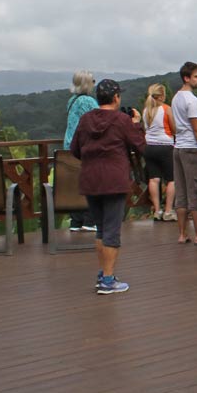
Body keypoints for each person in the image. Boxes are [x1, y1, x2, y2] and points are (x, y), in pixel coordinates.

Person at [70, 79, 145, 294]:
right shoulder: (122, 120)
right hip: (114, 180)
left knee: (101, 230)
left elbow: (75, 149)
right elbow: (140, 145)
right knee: (112, 231)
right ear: (116, 98)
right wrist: (136, 124)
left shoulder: (85, 119)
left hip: (90, 179)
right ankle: (108, 280)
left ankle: (104, 273)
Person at [171, 61, 197, 245]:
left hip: (178, 147)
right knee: (195, 191)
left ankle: (182, 233)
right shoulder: (192, 101)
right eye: (196, 76)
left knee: (181, 192)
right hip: (192, 149)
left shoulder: (176, 98)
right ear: (186, 78)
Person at [64, 70, 98, 233]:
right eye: (92, 81)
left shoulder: (72, 100)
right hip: (84, 147)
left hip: (69, 147)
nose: (94, 84)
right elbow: (100, 119)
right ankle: (90, 220)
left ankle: (76, 220)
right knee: (92, 182)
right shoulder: (88, 101)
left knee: (76, 184)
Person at [142, 83, 177, 222]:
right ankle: (168, 210)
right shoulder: (166, 109)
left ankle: (157, 210)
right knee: (172, 179)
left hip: (149, 147)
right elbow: (174, 129)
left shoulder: (146, 111)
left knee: (154, 179)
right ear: (162, 95)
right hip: (165, 146)